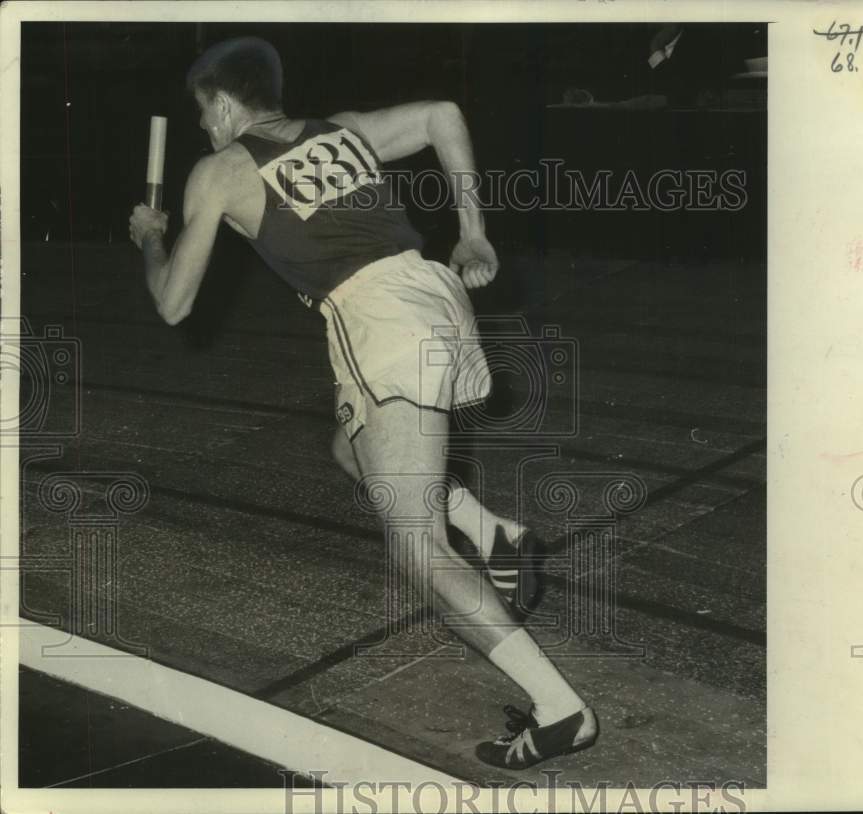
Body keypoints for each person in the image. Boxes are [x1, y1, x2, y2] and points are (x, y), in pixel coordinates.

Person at [128, 36, 597, 769]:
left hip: (378, 320)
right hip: (430, 294)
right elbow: (443, 113)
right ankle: (493, 532)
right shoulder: (341, 129)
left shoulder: (220, 170)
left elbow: (174, 304)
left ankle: (562, 709)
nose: (204, 128)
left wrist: (152, 241)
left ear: (222, 104)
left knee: (418, 549)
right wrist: (472, 232)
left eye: (203, 113)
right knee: (351, 450)